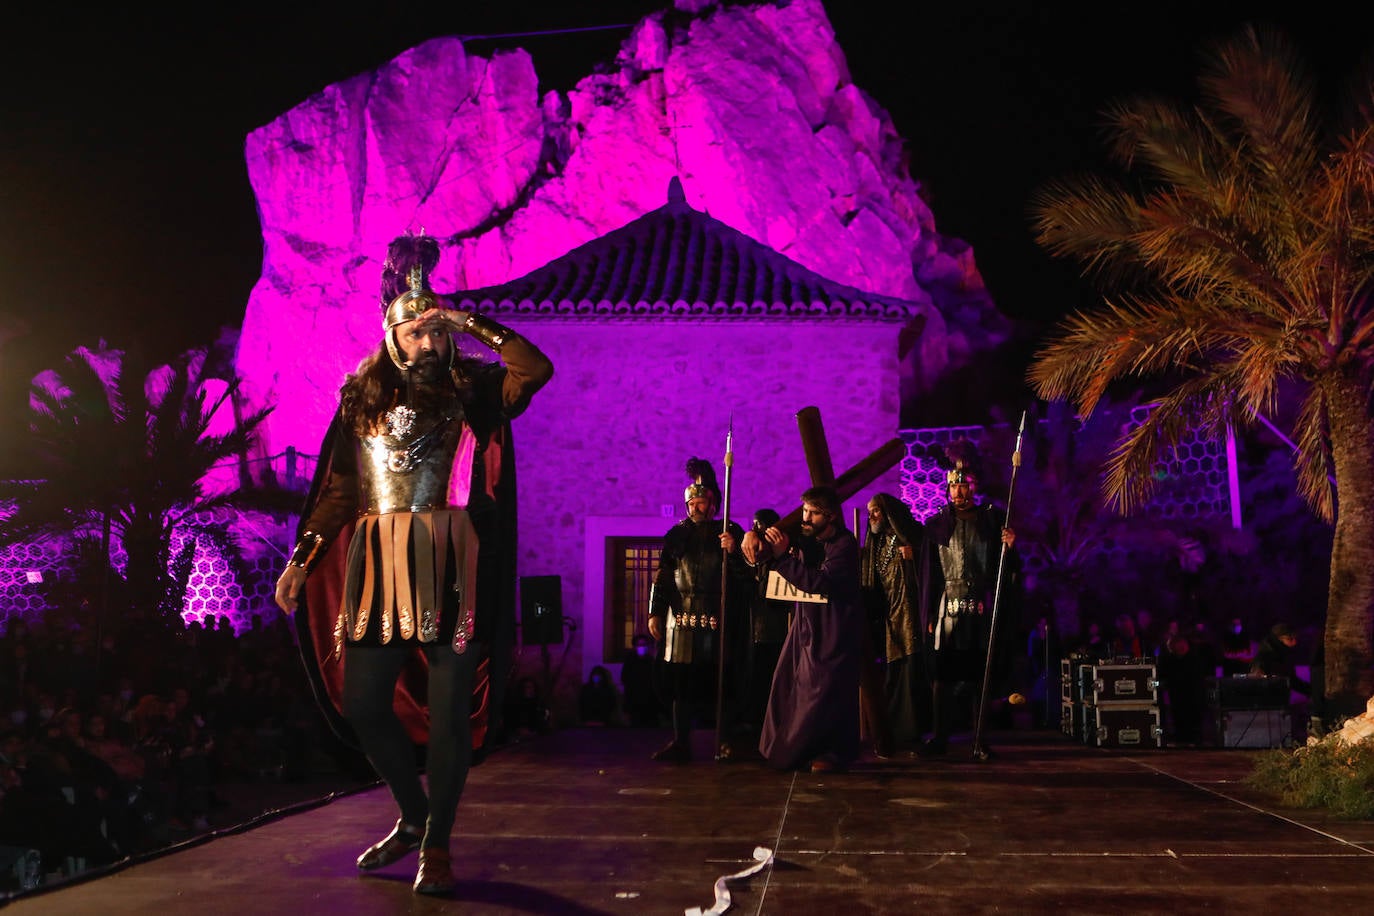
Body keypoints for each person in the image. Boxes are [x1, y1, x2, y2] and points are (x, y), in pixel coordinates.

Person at [273, 233, 553, 895]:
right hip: (378, 563)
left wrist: (467, 321)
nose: (428, 343)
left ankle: (437, 845)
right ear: (391, 335)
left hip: (454, 561)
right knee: (364, 703)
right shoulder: (360, 398)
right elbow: (341, 489)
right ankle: (414, 814)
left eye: (436, 332)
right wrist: (300, 559)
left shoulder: (476, 389)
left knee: (450, 711)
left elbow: (535, 369)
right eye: (416, 332)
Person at [739, 485, 864, 773]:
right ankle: (789, 748)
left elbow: (821, 584)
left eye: (813, 512)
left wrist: (783, 558)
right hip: (806, 627)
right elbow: (770, 536)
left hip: (833, 630)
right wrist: (751, 535)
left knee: (822, 693)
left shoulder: (844, 545)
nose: (805, 517)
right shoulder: (810, 537)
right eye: (804, 510)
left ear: (830, 516)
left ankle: (826, 753)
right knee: (787, 684)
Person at [917, 439, 1016, 757]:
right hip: (947, 608)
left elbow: (1007, 570)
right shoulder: (935, 526)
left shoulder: (992, 521)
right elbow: (929, 574)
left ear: (973, 487)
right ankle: (940, 738)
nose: (959, 492)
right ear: (947, 489)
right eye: (954, 488)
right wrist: (928, 613)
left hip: (982, 607)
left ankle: (979, 740)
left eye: (964, 486)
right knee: (943, 677)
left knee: (979, 677)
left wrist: (1010, 548)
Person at [647, 458, 750, 762]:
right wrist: (655, 611)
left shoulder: (730, 530)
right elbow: (663, 575)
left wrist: (733, 551)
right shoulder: (676, 535)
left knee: (721, 680)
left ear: (713, 503)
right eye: (691, 502)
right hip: (679, 620)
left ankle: (725, 741)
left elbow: (745, 575)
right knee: (681, 683)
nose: (695, 507)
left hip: (717, 614)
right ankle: (681, 741)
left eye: (701, 501)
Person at [859, 493, 923, 753]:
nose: (872, 516)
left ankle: (912, 732)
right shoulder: (876, 544)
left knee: (910, 674)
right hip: (888, 616)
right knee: (892, 675)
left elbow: (934, 560)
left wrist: (914, 556)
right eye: (870, 512)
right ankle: (893, 730)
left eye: (876, 510)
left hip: (911, 613)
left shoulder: (910, 536)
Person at [740, 508, 790, 750]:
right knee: (754, 683)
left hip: (778, 632)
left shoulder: (783, 558)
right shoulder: (751, 560)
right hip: (753, 634)